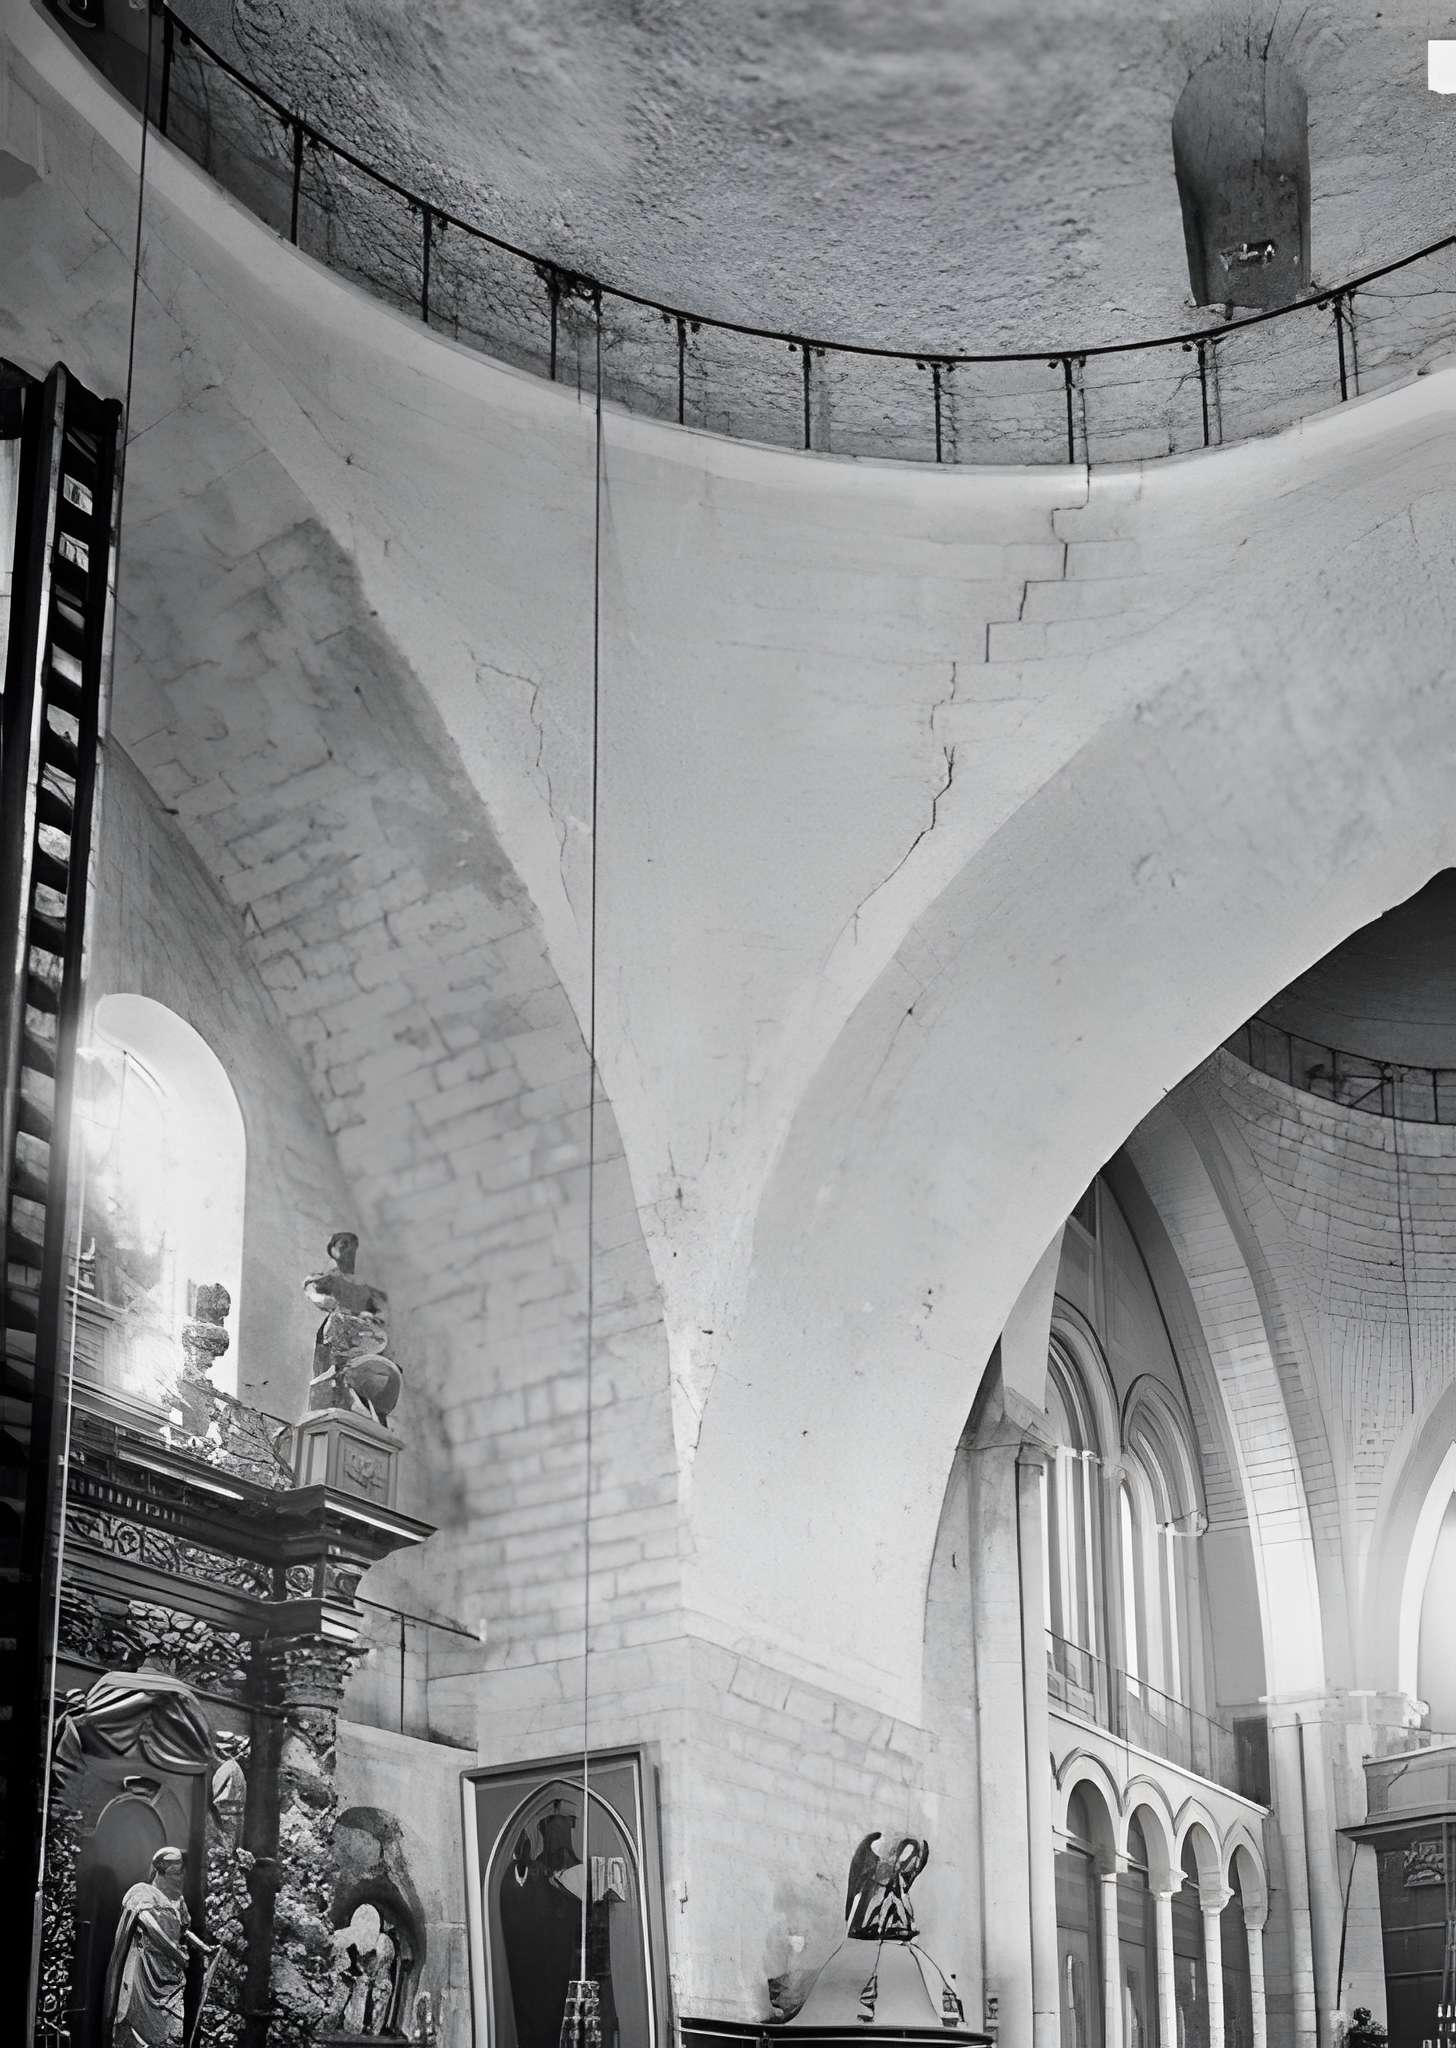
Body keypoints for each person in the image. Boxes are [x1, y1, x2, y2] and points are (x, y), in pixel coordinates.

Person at [105, 1847, 215, 2048]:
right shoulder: (141, 1892)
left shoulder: (177, 1900)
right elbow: (150, 1926)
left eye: (182, 1872)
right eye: (175, 1873)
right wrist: (176, 1952)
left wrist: (205, 1949)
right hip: (145, 1971)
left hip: (170, 1975)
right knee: (138, 2025)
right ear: (160, 1871)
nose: (180, 1877)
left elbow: (184, 1931)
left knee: (171, 2030)